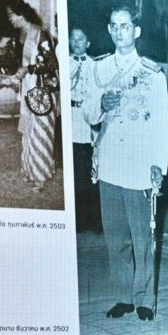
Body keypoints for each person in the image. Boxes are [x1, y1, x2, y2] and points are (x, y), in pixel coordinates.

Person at [83, 6, 168, 321]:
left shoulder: (153, 73)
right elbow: (89, 114)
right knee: (116, 237)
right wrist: (100, 104)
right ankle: (123, 297)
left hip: (139, 166)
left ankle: (144, 299)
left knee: (142, 238)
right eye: (114, 26)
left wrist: (158, 164)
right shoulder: (99, 68)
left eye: (126, 26)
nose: (120, 31)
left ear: (137, 31)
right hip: (109, 164)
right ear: (109, 30)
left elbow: (163, 124)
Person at [8, 0, 57, 191]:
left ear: (21, 15)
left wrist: (28, 69)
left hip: (42, 92)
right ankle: (31, 170)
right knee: (29, 130)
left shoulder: (39, 34)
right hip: (28, 89)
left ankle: (40, 177)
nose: (9, 19)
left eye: (11, 15)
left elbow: (51, 63)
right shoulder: (21, 35)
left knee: (40, 132)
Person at [69, 28, 101, 232]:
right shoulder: (65, 63)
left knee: (89, 170)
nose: (76, 42)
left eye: (81, 38)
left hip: (87, 120)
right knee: (74, 171)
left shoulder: (94, 65)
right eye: (73, 38)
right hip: (71, 117)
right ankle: (77, 220)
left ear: (88, 43)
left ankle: (94, 219)